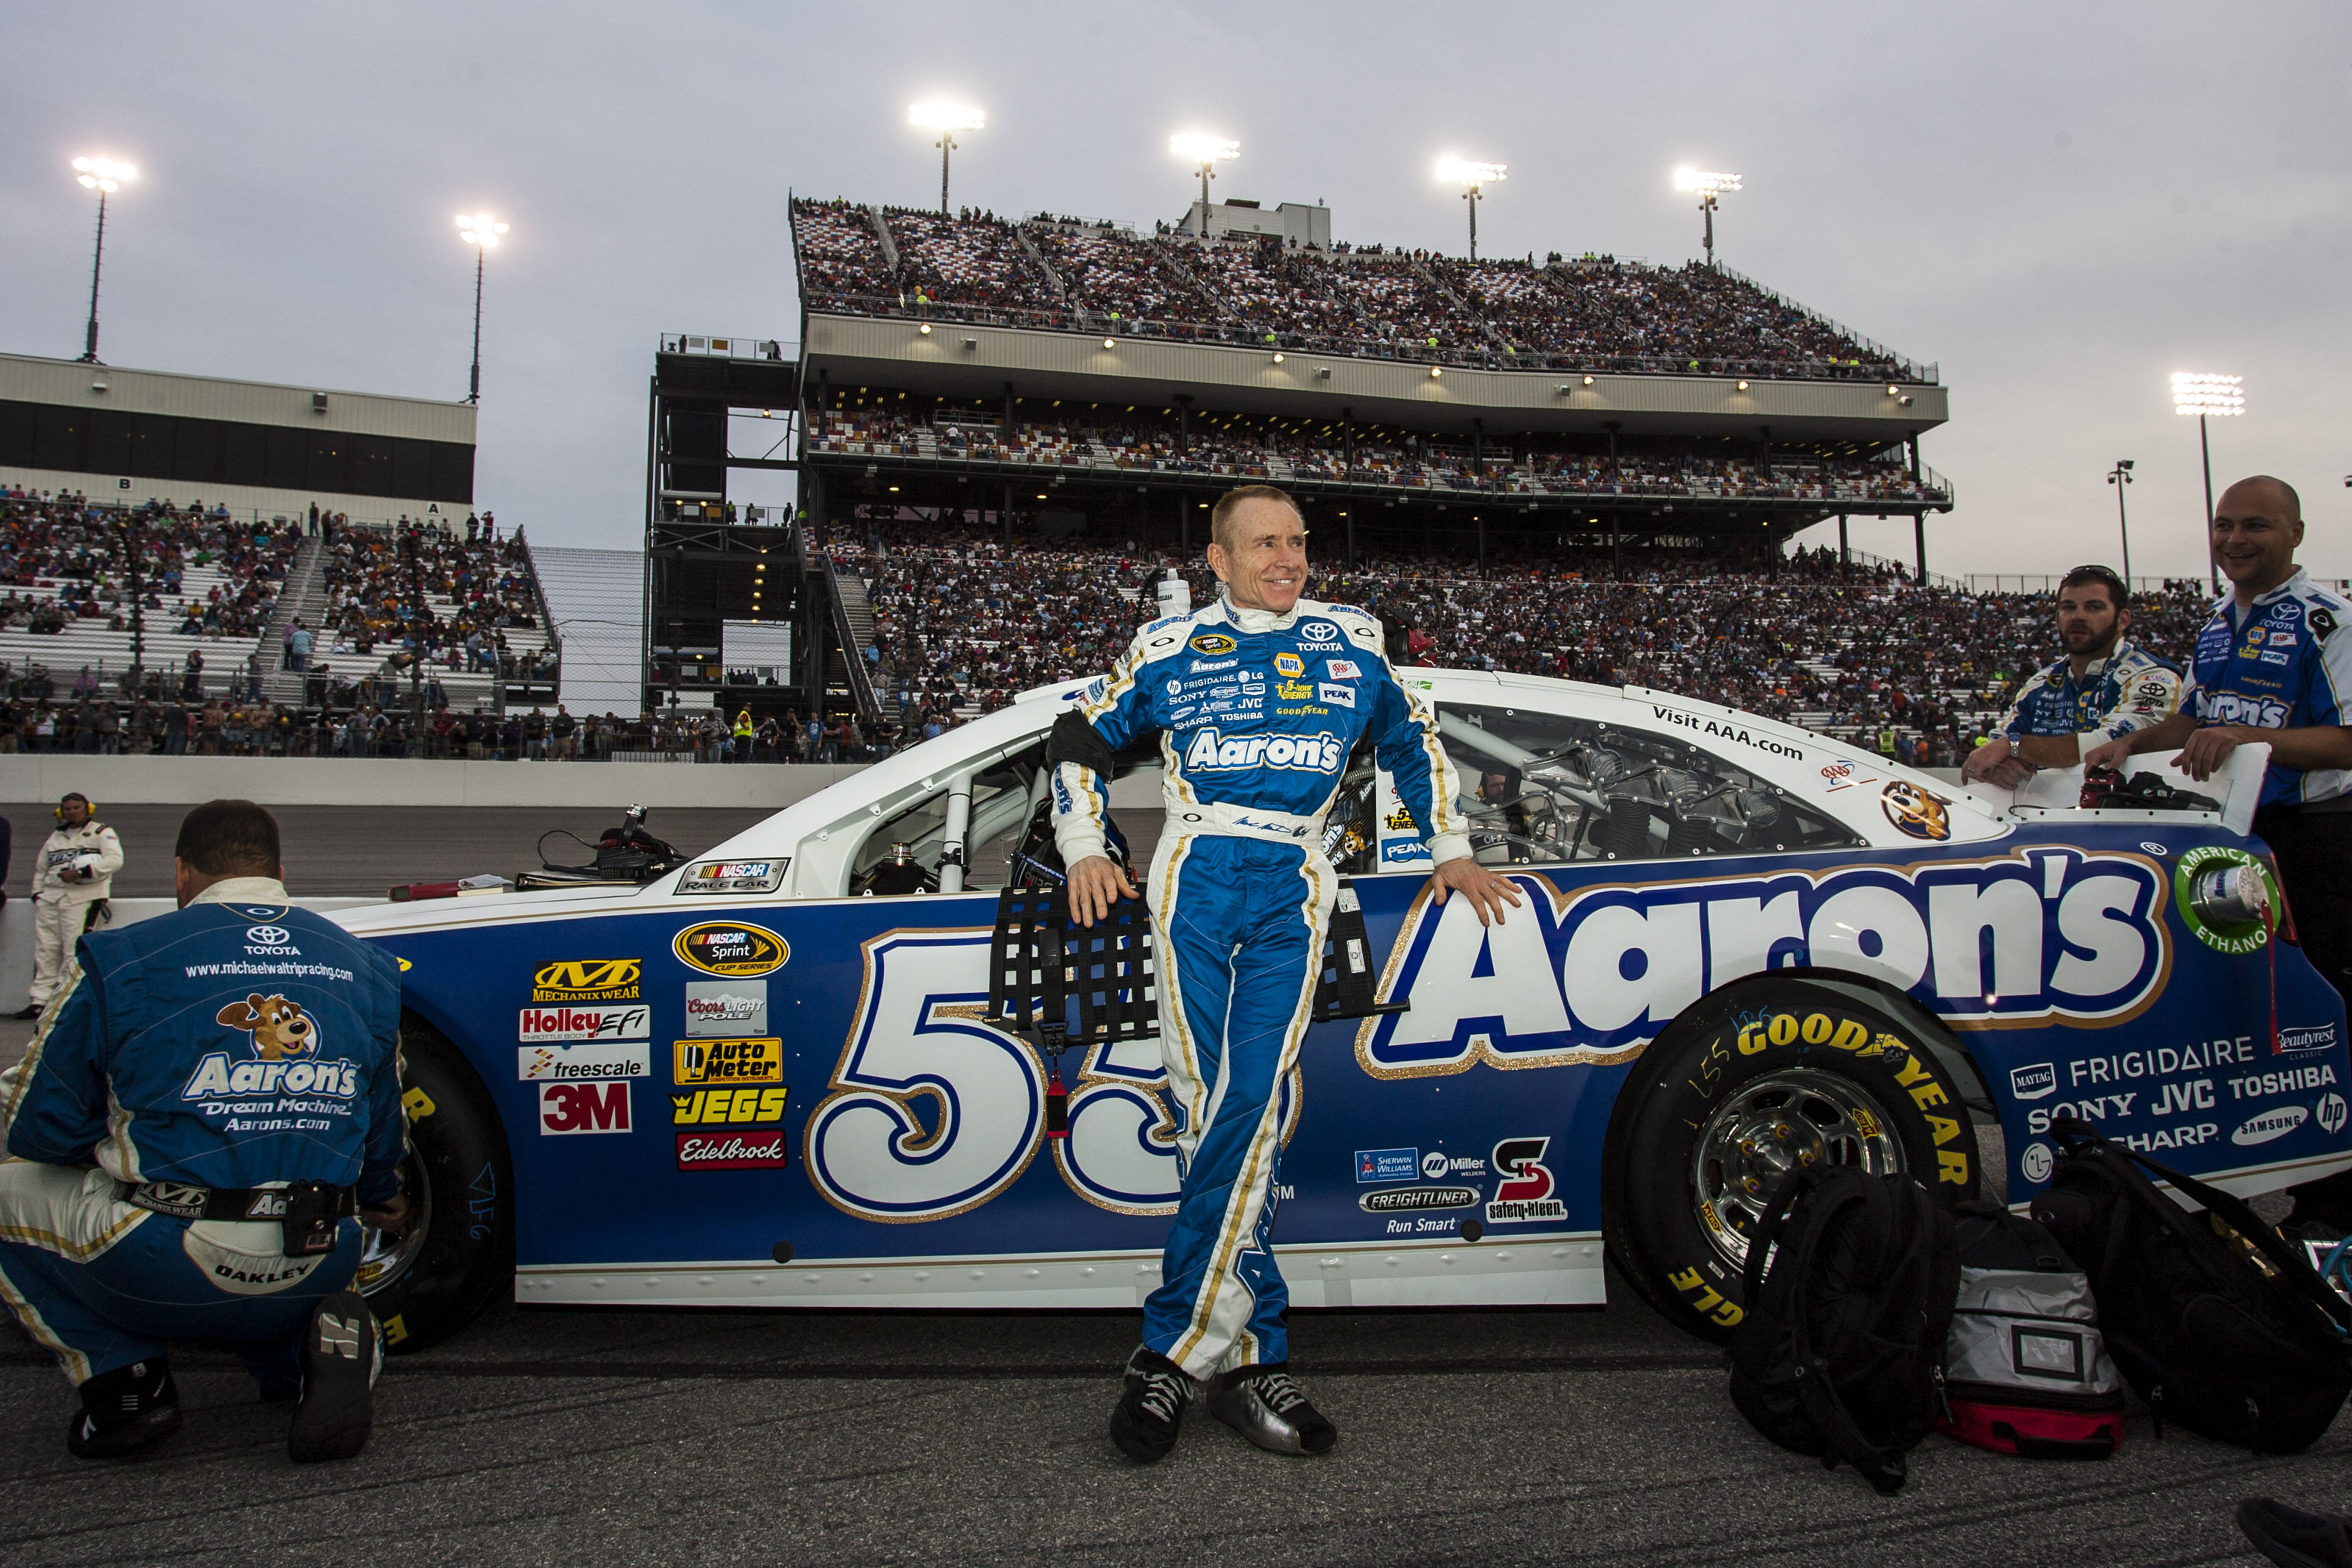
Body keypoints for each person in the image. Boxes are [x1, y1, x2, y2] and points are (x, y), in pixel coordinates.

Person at [1052, 484, 1520, 1464]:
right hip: (1195, 872)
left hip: (1297, 878)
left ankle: (1170, 1354)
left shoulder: (1351, 640)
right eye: (1263, 544)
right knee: (1205, 1103)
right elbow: (1074, 741)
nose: (1287, 558)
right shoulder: (1165, 647)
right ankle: (1253, 1351)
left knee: (1245, 1107)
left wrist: (1448, 845)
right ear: (1215, 561)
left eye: (1298, 542)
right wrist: (1085, 842)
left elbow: (1411, 738)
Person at [0, 799, 407, 1460]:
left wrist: (103, 1152)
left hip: (170, 1259)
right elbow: (383, 1124)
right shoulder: (365, 965)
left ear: (182, 874)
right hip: (322, 1250)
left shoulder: (119, 956)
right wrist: (385, 1189)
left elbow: (36, 1123)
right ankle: (308, 1362)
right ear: (280, 870)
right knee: (297, 1252)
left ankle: (123, 1384)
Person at [2086, 477, 2352, 1222]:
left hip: (2317, 841)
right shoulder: (2214, 623)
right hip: (2234, 843)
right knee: (2250, 1013)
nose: (2234, 539)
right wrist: (2128, 742)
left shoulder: (2327, 620)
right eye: (2224, 525)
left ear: (2295, 531)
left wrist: (2249, 737)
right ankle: (2266, 1163)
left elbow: (2346, 742)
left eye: (2255, 526)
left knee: (2325, 1013)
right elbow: (2194, 719)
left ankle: (2335, 1201)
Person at [1964, 565, 2183, 788]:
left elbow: (2113, 742)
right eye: (2069, 607)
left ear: (2122, 620)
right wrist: (1999, 767)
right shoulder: (2040, 684)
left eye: (2094, 607)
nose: (2078, 616)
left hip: (2125, 813)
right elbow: (1994, 745)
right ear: (2058, 617)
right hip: (2042, 815)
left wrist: (2014, 746)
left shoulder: (2153, 676)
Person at [18, 794, 122, 1019]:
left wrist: (83, 872)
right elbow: (41, 869)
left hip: (83, 896)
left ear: (88, 809)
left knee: (72, 949)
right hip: (51, 898)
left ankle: (66, 1001)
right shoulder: (55, 837)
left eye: (77, 808)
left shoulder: (101, 832)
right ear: (60, 812)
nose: (72, 812)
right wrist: (38, 893)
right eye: (67, 808)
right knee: (45, 950)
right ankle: (40, 1001)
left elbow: (115, 860)